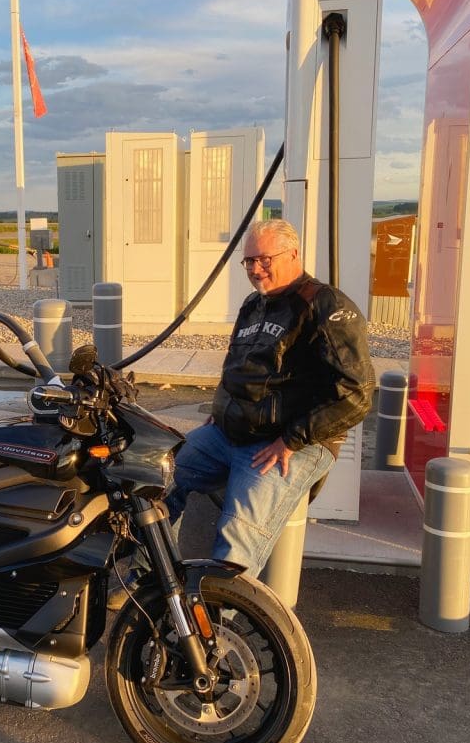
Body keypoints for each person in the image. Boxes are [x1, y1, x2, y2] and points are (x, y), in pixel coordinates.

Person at [112, 219, 374, 605]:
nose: (255, 269)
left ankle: (214, 637)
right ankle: (145, 577)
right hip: (228, 434)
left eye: (264, 259)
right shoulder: (254, 305)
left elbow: (357, 394)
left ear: (294, 255)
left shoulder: (325, 305)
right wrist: (220, 412)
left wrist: (292, 439)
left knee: (236, 539)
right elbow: (237, 370)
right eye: (248, 261)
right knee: (154, 476)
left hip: (290, 442)